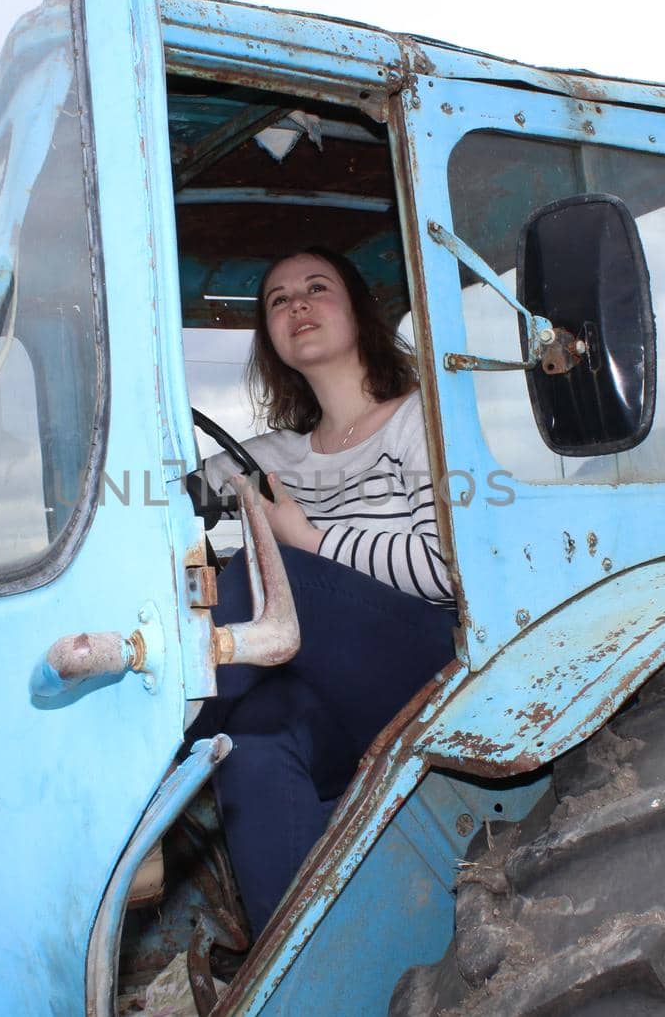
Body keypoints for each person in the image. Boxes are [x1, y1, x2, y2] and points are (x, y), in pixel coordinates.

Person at [187, 246, 457, 938]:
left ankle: (149, 742)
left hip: (427, 670)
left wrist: (308, 541)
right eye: (277, 299)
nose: (296, 304)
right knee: (254, 739)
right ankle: (306, 965)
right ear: (270, 337)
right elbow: (162, 484)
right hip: (333, 699)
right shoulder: (275, 457)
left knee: (274, 580)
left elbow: (443, 568)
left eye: (315, 288)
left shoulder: (418, 421)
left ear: (359, 311)